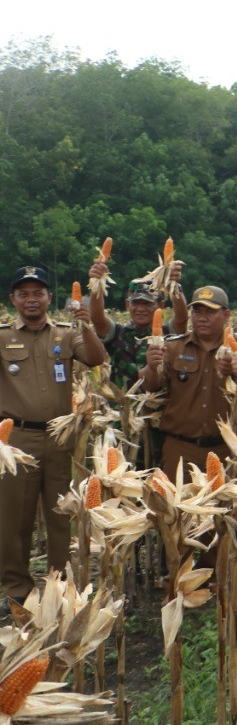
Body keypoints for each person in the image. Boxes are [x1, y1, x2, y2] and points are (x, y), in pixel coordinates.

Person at [0, 266, 107, 603]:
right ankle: (18, 589)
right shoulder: (2, 337)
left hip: (61, 438)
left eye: (38, 292)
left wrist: (87, 322)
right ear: (13, 299)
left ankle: (60, 586)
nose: (31, 299)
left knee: (62, 514)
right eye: (24, 293)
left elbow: (94, 358)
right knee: (14, 518)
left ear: (48, 297)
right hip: (17, 439)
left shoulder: (66, 334)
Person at [140, 285, 237, 481]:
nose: (202, 317)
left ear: (226, 315)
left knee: (222, 510)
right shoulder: (173, 347)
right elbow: (149, 386)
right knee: (178, 509)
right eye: (197, 311)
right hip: (180, 449)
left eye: (210, 311)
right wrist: (151, 366)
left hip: (226, 449)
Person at [88, 255, 188, 389]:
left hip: (157, 407)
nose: (140, 309)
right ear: (127, 304)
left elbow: (182, 319)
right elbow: (97, 318)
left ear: (161, 305)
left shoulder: (167, 335)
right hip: (121, 407)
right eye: (136, 303)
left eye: (147, 304)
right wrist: (96, 283)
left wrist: (174, 286)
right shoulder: (117, 334)